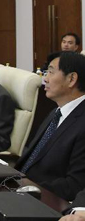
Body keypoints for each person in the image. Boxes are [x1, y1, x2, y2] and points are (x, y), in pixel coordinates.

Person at [15, 51, 85, 201]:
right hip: (19, 189)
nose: (45, 79)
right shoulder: (56, 112)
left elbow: (75, 185)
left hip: (46, 201)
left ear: (71, 79)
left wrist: (30, 187)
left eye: (51, 72)